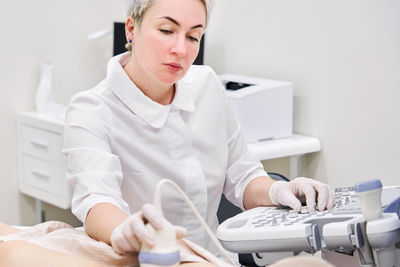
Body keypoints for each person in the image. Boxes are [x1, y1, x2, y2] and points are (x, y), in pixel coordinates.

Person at [60, 0, 335, 265]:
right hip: (151, 261)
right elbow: (97, 202)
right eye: (167, 31)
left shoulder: (207, 86)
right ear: (131, 29)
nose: (180, 49)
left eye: (193, 36)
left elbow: (243, 176)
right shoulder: (91, 110)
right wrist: (126, 230)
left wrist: (279, 190)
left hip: (215, 259)